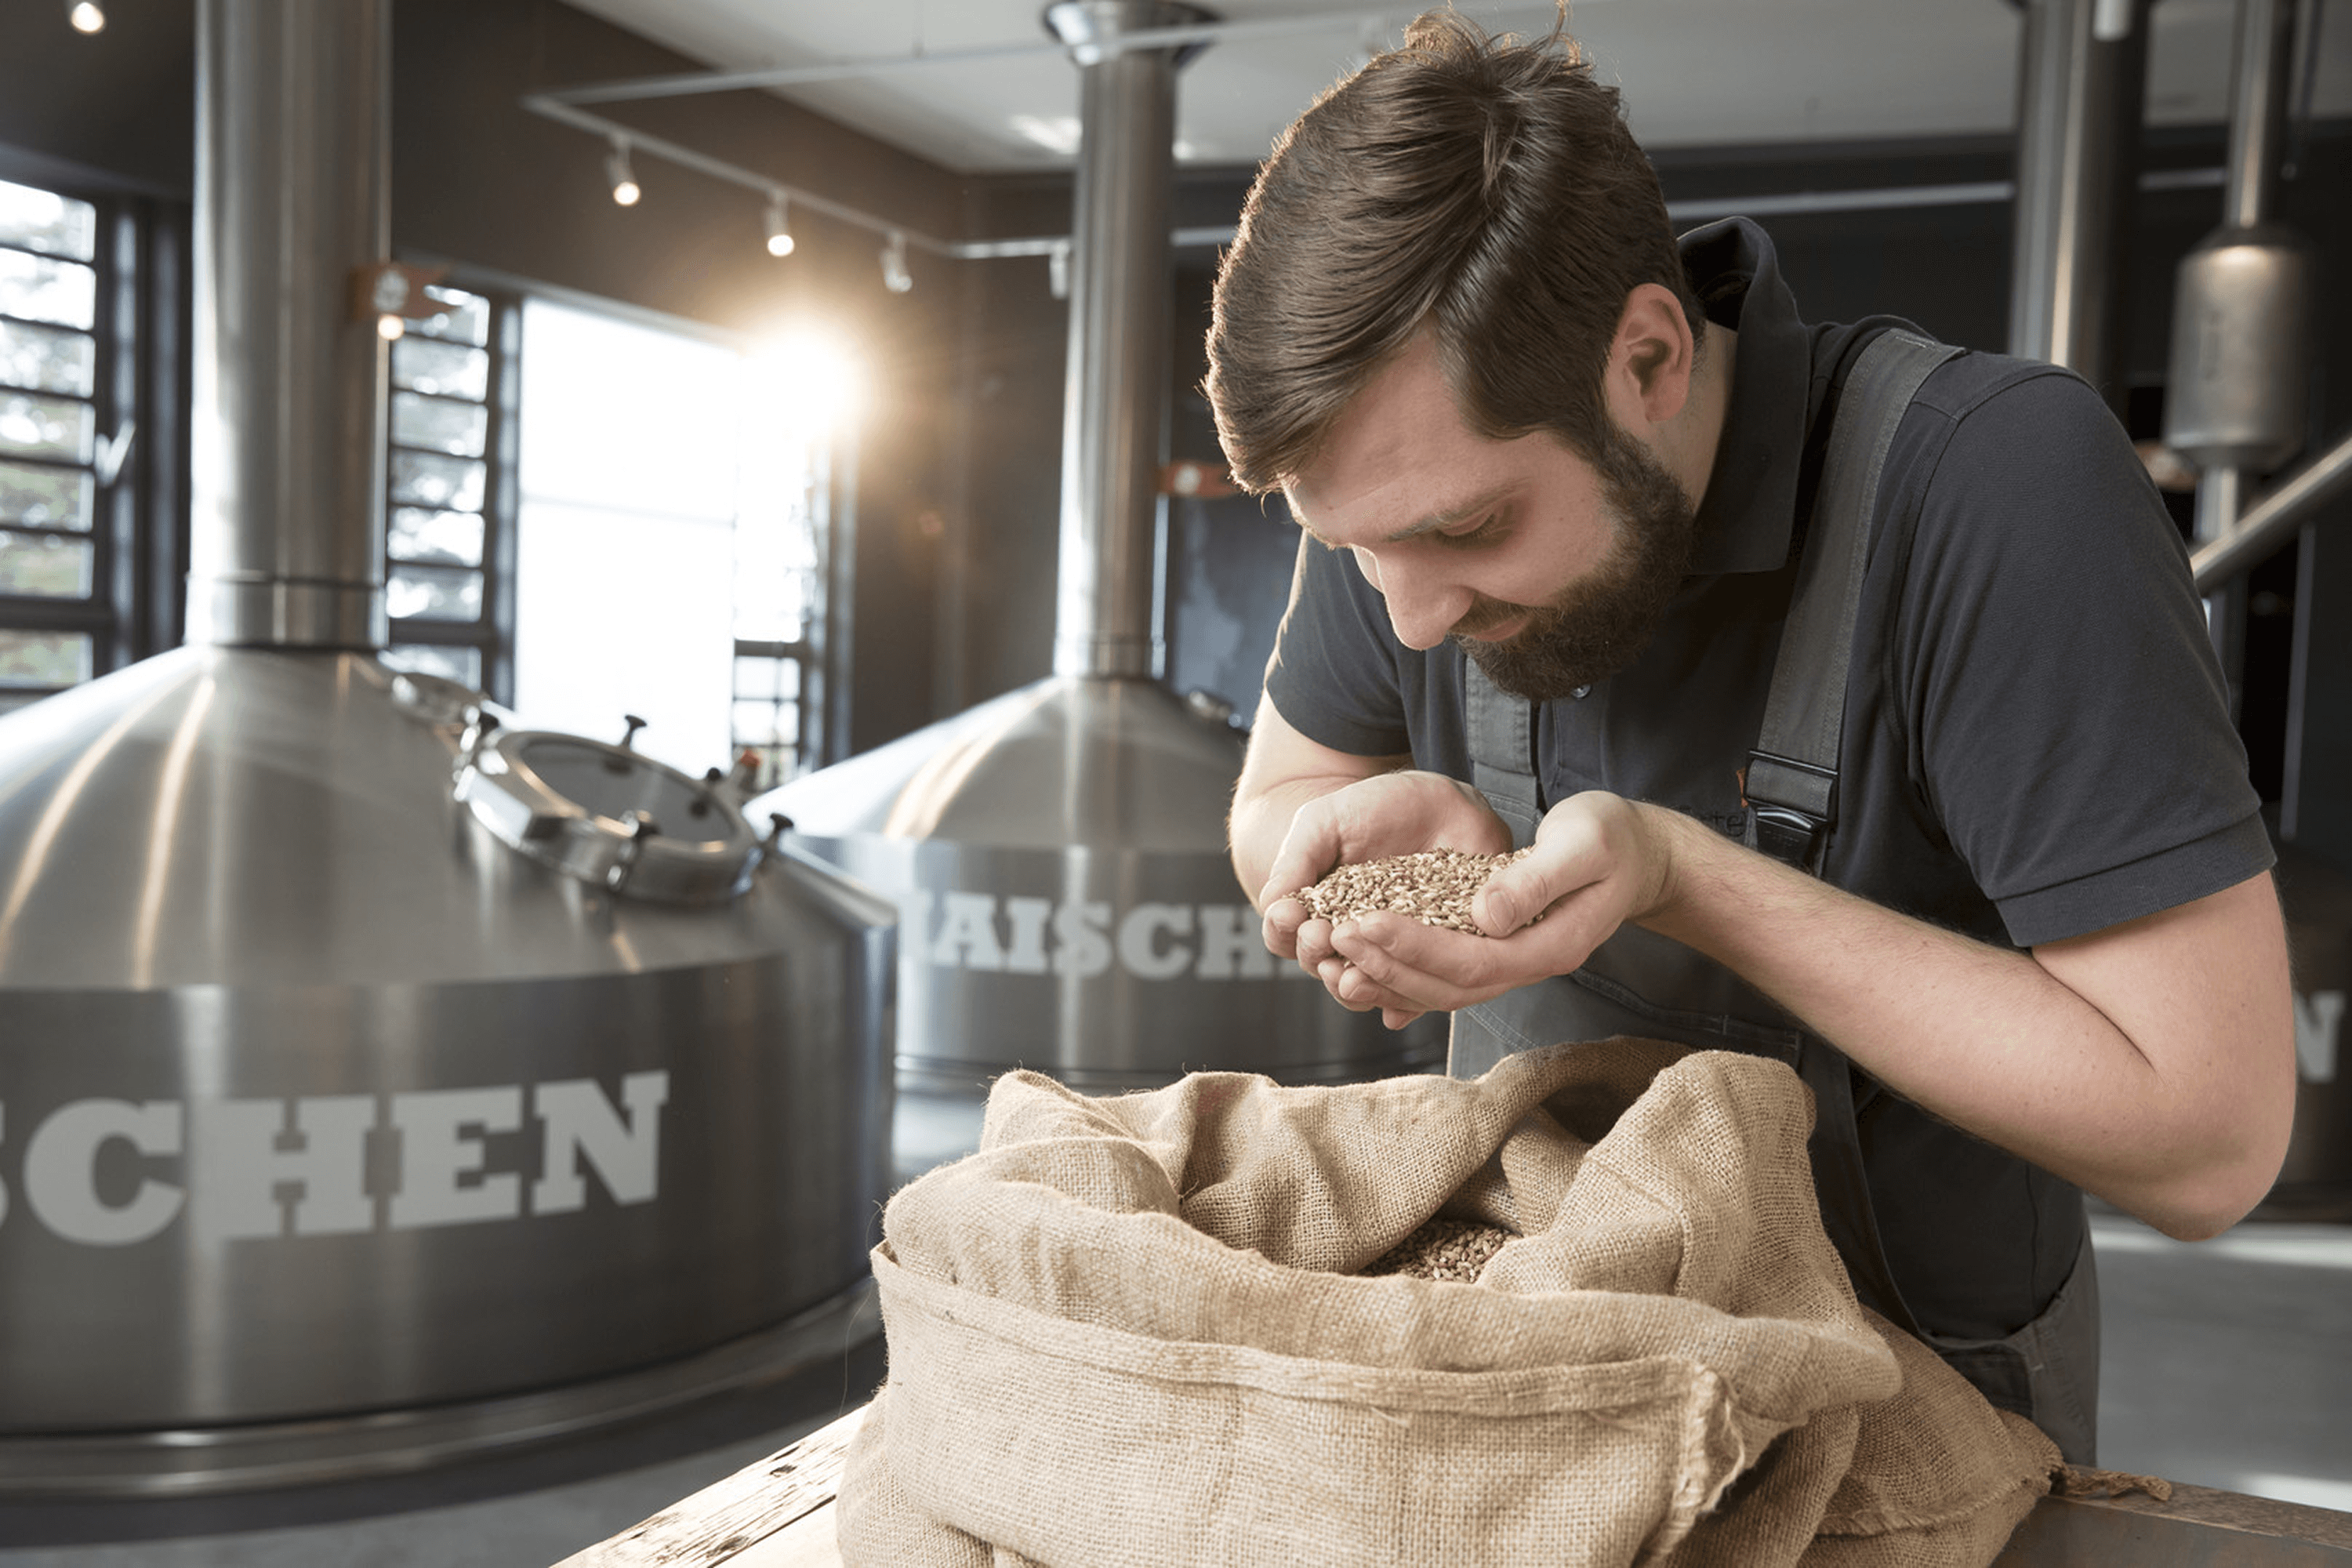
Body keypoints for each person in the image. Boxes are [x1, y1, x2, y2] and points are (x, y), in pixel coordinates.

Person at [1207, 10, 2295, 1465]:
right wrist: (1357, 836)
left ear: (1648, 356)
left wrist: (1684, 876)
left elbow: (2211, 1141)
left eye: (1469, 530)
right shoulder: (1400, 504)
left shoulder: (1994, 490)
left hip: (1902, 1441)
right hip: (1522, 1393)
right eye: (1353, 553)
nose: (1405, 621)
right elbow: (1281, 794)